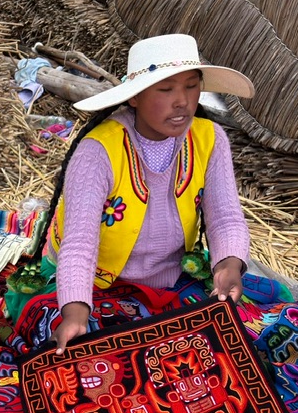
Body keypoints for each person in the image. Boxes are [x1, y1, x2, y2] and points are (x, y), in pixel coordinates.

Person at [42, 34, 255, 353]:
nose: (182, 100)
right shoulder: (98, 152)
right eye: (166, 89)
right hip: (96, 283)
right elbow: (80, 243)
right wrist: (75, 311)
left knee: (241, 339)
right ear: (134, 97)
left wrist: (228, 266)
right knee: (85, 354)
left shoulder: (210, 140)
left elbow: (224, 218)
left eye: (191, 85)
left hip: (173, 276)